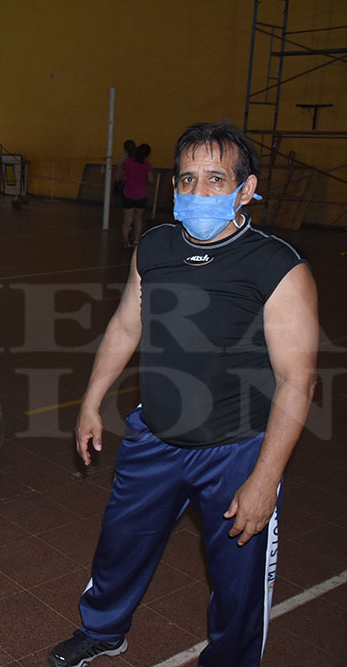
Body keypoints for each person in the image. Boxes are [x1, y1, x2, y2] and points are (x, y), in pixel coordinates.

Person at [47, 123, 318, 667]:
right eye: (188, 179)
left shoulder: (277, 266)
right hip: (156, 436)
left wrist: (265, 478)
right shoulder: (156, 245)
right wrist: (91, 401)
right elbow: (127, 325)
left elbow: (297, 380)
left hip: (237, 450)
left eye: (216, 179)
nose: (197, 192)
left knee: (238, 583)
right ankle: (103, 631)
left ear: (246, 190)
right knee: (120, 547)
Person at [119, 142, 153, 247]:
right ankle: (136, 241)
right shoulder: (147, 165)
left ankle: (125, 239)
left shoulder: (127, 162)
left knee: (127, 220)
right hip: (141, 196)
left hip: (128, 194)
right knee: (138, 219)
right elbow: (151, 180)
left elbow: (120, 176)